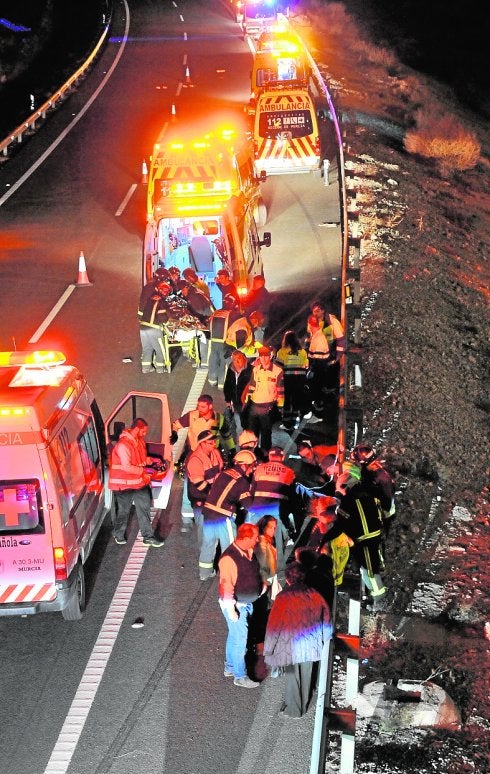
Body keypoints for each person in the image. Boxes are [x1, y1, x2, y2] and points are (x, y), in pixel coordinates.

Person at [264, 561, 332, 717]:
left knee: (292, 678)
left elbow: (273, 626)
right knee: (307, 675)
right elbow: (327, 620)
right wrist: (326, 641)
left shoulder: (283, 597)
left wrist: (269, 650)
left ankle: (294, 710)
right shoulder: (315, 594)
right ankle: (304, 700)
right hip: (312, 643)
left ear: (288, 579)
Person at [172, 394, 235, 528]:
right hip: (193, 455)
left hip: (212, 456)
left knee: (211, 483)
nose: (199, 408)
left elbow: (227, 435)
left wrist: (232, 450)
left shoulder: (219, 418)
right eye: (198, 405)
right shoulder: (192, 416)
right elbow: (176, 425)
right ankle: (187, 517)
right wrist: (174, 434)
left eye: (202, 406)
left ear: (210, 406)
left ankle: (208, 508)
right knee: (190, 484)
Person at [330, 464, 387, 609]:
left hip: (365, 539)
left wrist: (337, 501)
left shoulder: (349, 501)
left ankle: (379, 599)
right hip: (374, 535)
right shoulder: (367, 494)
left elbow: (340, 520)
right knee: (367, 568)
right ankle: (373, 594)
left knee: (369, 569)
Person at [218, 522, 266, 687]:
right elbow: (226, 585)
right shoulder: (229, 559)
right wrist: (231, 609)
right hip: (237, 606)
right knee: (240, 640)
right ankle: (240, 676)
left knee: (234, 636)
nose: (257, 540)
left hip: (245, 603)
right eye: (255, 537)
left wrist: (260, 587)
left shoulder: (247, 551)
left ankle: (230, 667)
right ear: (246, 538)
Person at [199, 449, 257, 580]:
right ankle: (228, 576)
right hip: (223, 517)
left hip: (208, 514)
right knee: (231, 548)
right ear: (244, 465)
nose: (252, 470)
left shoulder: (224, 473)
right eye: (252, 466)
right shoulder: (242, 481)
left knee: (208, 544)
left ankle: (204, 573)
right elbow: (249, 505)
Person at [109, 418, 165, 547]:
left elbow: (140, 459)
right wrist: (145, 471)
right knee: (123, 511)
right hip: (124, 485)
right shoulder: (123, 444)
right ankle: (118, 533)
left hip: (139, 483)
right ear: (137, 428)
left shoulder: (139, 442)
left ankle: (148, 536)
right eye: (144, 431)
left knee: (144, 510)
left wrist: (152, 460)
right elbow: (127, 467)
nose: (145, 434)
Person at [247, 446, 296, 568]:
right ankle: (277, 568)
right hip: (276, 510)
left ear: (269, 456)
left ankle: (249, 563)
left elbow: (251, 491)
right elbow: (292, 496)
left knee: (251, 537)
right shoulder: (289, 472)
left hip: (257, 509)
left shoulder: (259, 469)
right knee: (277, 540)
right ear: (283, 457)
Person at [242, 345, 284, 451]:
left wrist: (280, 407)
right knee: (252, 432)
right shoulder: (256, 370)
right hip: (254, 407)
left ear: (270, 356)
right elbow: (252, 386)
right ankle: (252, 453)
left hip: (267, 407)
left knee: (266, 433)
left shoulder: (278, 371)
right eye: (261, 356)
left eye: (266, 356)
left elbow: (280, 391)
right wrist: (246, 402)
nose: (263, 359)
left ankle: (265, 454)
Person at [185, 429, 224, 540]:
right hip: (201, 499)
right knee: (204, 531)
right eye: (210, 443)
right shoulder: (195, 460)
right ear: (202, 443)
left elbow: (220, 470)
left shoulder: (215, 453)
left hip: (213, 497)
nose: (214, 444)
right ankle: (204, 554)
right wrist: (216, 493)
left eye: (214, 442)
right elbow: (200, 485)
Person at [275, 330, 309, 429]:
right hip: (300, 379)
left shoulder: (282, 351)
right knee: (296, 400)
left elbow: (278, 366)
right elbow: (306, 366)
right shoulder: (302, 351)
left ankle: (286, 423)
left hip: (288, 378)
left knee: (287, 400)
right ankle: (295, 422)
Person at [207, 295, 241, 388]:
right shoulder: (232, 314)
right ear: (232, 304)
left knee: (213, 360)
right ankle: (222, 383)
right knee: (224, 362)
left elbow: (208, 325)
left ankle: (212, 380)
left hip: (213, 342)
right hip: (225, 342)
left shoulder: (215, 313)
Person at [138, 281, 172, 373]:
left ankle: (146, 368)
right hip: (154, 329)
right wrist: (169, 324)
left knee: (147, 348)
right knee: (160, 349)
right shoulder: (161, 301)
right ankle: (160, 369)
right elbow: (162, 318)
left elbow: (141, 309)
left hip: (143, 328)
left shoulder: (150, 298)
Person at [223, 349, 253, 439]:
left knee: (248, 425)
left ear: (244, 358)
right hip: (235, 403)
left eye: (239, 358)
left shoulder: (251, 370)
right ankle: (241, 443)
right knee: (239, 426)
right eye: (234, 359)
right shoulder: (231, 368)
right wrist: (228, 400)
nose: (236, 361)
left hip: (247, 404)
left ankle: (249, 441)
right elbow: (227, 384)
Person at [243, 275, 271, 341]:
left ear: (261, 283)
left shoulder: (263, 294)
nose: (253, 284)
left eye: (255, 283)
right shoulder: (256, 292)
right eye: (253, 282)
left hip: (258, 323)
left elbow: (259, 308)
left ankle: (258, 350)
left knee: (258, 340)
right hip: (255, 322)